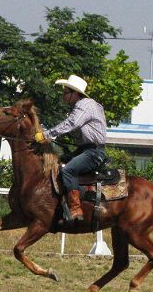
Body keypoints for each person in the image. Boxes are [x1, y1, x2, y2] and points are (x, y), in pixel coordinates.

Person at [34, 75, 107, 222]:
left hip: (93, 152)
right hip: (85, 149)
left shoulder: (85, 105)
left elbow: (70, 124)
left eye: (65, 92)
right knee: (61, 163)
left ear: (75, 93)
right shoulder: (85, 105)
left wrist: (45, 135)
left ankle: (75, 209)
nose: (63, 95)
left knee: (68, 170)